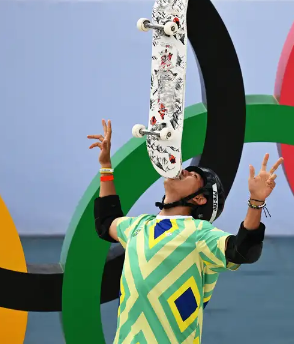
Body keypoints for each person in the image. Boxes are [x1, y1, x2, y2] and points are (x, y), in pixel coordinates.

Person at [89, 119, 283, 344]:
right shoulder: (138, 226)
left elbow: (243, 251)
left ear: (199, 198)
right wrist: (105, 167)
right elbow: (106, 222)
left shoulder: (199, 234)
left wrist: (256, 201)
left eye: (194, 176)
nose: (183, 170)